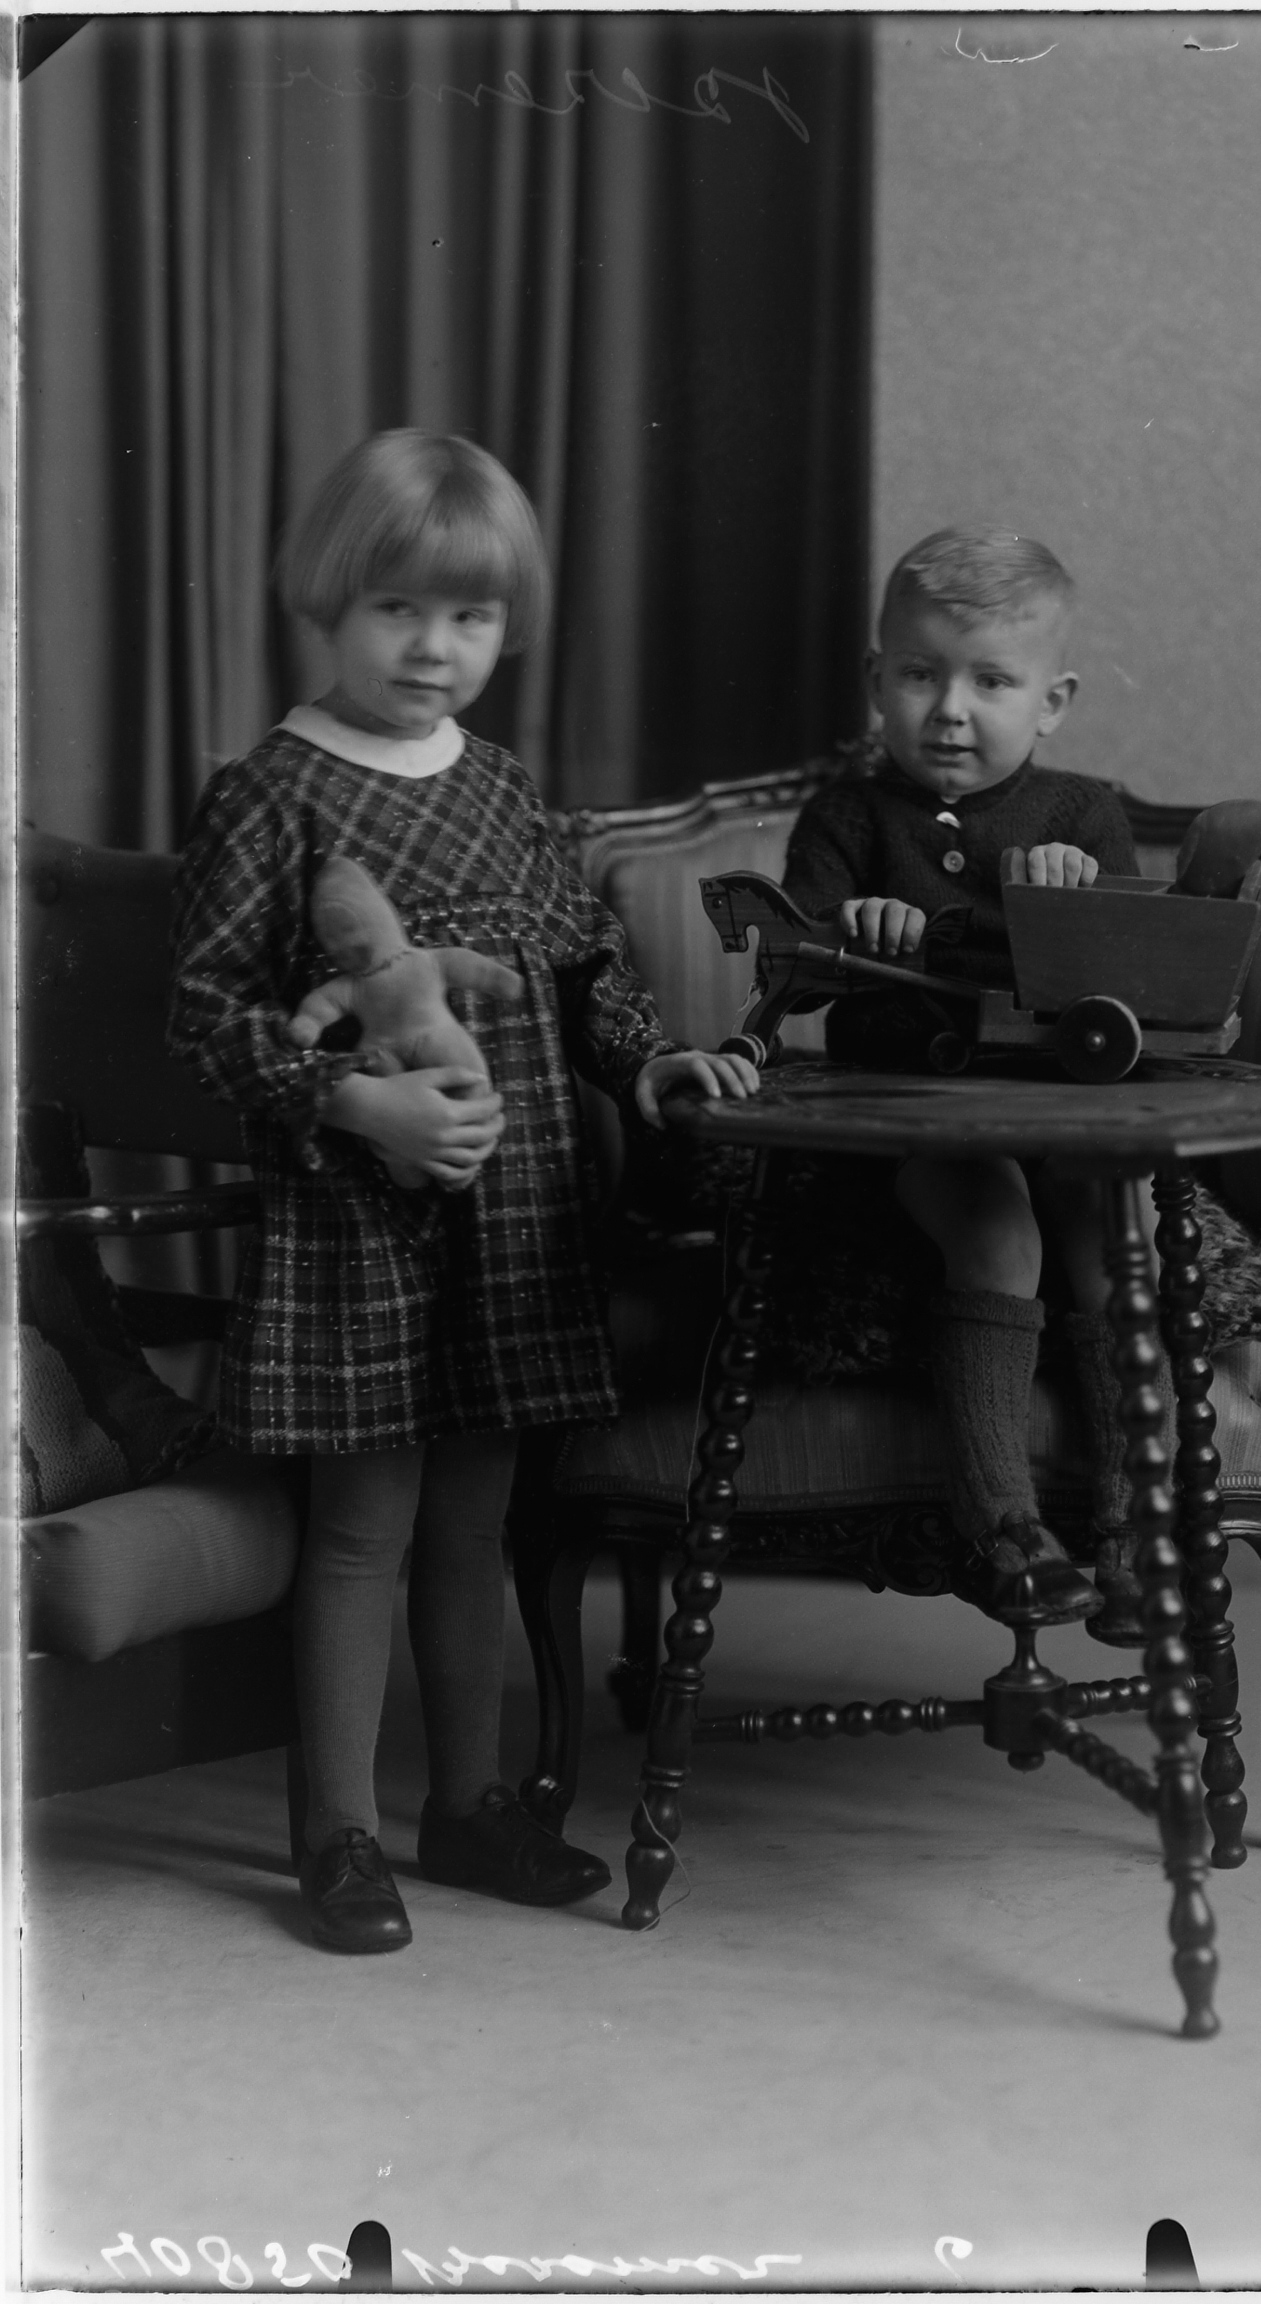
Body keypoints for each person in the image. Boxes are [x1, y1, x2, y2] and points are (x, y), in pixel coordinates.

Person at [169, 430, 757, 1955]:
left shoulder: (500, 787)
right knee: (362, 1528)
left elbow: (583, 971)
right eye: (398, 609)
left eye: (470, 616)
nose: (434, 647)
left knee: (475, 1522)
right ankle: (339, 1833)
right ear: (328, 601)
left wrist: (650, 1062)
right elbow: (208, 1016)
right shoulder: (274, 793)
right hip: (360, 1221)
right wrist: (353, 1102)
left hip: (511, 1219)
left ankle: (470, 1803)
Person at [780, 528, 1183, 1632]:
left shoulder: (1080, 817)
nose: (950, 711)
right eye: (920, 675)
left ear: (1052, 703)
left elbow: (1131, 993)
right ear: (877, 680)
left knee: (1111, 1234)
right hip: (907, 1124)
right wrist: (847, 928)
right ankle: (1004, 1528)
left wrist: (1076, 896)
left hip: (1057, 1115)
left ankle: (1135, 1530)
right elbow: (790, 964)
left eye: (991, 683)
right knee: (998, 1228)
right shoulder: (849, 818)